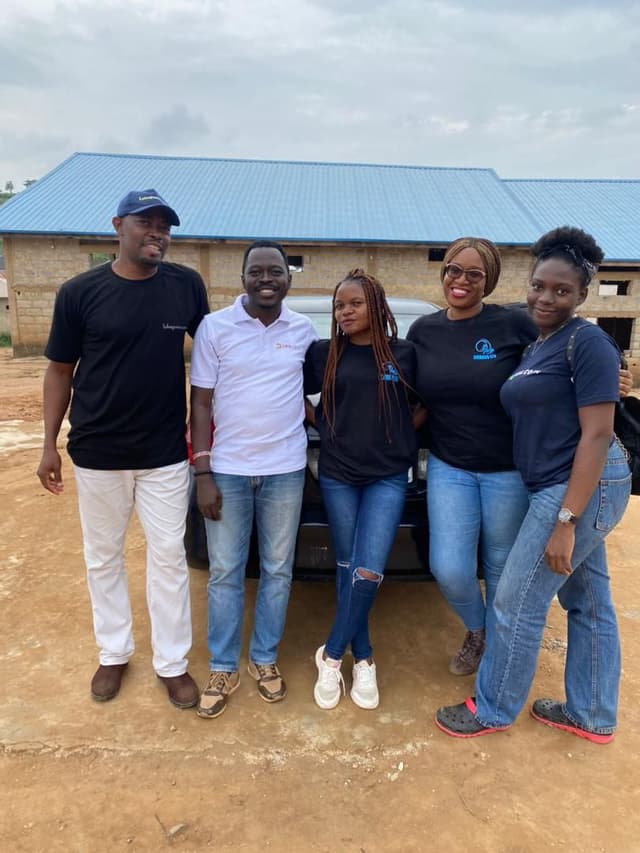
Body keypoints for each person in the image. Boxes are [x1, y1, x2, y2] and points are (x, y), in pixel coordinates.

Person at [435, 226, 632, 742]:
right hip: (563, 482)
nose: (547, 297)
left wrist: (566, 520)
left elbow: (597, 434)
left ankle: (493, 708)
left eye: (561, 291)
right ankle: (592, 713)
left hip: (575, 485)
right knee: (588, 601)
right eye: (540, 286)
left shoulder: (587, 341)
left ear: (581, 296)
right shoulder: (543, 341)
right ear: (528, 283)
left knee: (517, 600)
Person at [37, 188, 210, 708]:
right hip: (97, 452)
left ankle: (172, 663)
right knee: (103, 558)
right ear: (118, 226)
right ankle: (113, 652)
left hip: (163, 454)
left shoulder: (185, 286)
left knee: (168, 559)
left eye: (165, 225)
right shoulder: (79, 292)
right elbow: (59, 370)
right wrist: (48, 444)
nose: (158, 232)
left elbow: (217, 351)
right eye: (146, 222)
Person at [189, 240, 317, 719]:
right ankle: (223, 665)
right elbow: (200, 403)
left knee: (278, 570)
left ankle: (264, 658)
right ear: (242, 277)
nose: (267, 279)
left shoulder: (302, 330)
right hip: (227, 469)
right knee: (224, 571)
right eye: (257, 271)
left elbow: (309, 394)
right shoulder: (214, 328)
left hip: (285, 469)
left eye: (276, 271)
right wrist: (203, 470)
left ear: (289, 277)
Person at [407, 239, 537, 675]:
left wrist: (611, 369)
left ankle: (499, 651)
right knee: (449, 567)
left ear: (490, 280)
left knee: (500, 566)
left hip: (507, 470)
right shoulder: (423, 330)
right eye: (452, 270)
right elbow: (410, 394)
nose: (460, 281)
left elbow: (565, 347)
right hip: (449, 467)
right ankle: (477, 629)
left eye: (473, 274)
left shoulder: (513, 324)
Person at [304, 270, 420, 710]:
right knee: (349, 562)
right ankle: (365, 657)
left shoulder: (403, 354)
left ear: (376, 304)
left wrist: (402, 433)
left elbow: (429, 400)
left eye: (355, 303)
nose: (345, 311)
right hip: (337, 475)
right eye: (339, 305)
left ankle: (332, 654)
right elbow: (290, 392)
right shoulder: (324, 354)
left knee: (369, 568)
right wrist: (325, 429)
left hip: (387, 476)